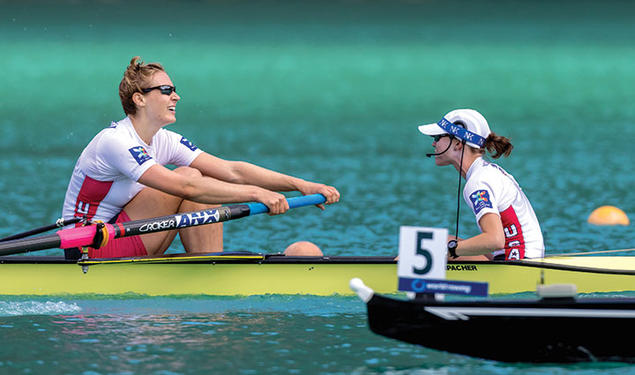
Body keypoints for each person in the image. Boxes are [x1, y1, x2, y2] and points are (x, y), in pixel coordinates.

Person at [62, 56, 340, 258]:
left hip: (125, 237)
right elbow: (186, 187)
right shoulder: (116, 141)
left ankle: (210, 262)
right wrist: (257, 194)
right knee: (189, 176)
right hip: (89, 246)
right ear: (139, 99)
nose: (177, 97)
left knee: (200, 176)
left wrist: (301, 184)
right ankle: (211, 267)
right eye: (167, 90)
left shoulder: (164, 140)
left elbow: (232, 171)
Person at [417, 109, 544, 261]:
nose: (433, 143)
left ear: (458, 144)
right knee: (439, 242)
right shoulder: (486, 172)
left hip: (519, 261)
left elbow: (495, 240)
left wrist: (446, 252)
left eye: (437, 137)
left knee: (423, 250)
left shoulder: (478, 182)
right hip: (524, 255)